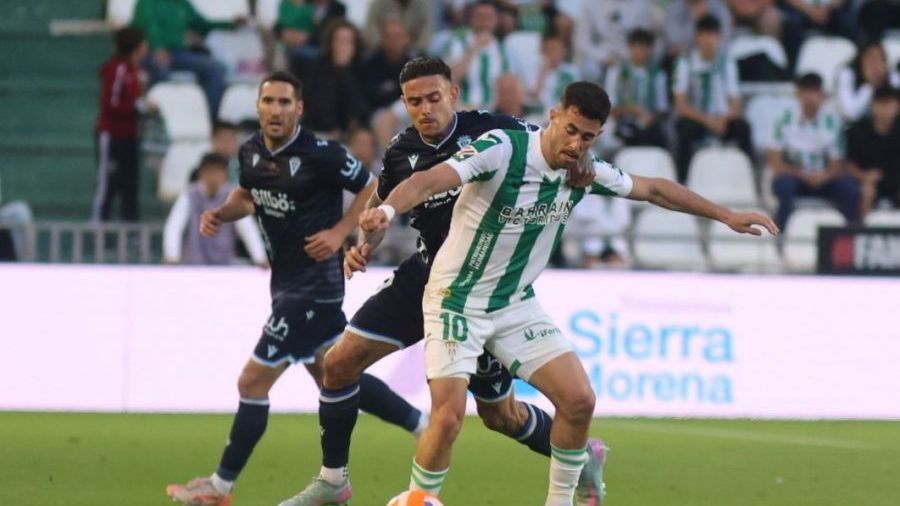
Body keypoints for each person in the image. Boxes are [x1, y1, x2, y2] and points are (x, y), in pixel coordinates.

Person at [357, 81, 777, 505]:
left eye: (588, 137)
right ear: (554, 115)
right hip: (455, 300)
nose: (576, 144)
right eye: (571, 130)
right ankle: (419, 498)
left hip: (513, 304)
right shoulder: (503, 148)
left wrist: (727, 215)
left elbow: (653, 189)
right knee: (448, 418)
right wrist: (388, 209)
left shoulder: (583, 172)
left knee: (579, 400)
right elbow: (430, 180)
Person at [278, 57, 607, 506]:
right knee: (337, 365)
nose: (425, 109)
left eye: (433, 98)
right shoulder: (401, 150)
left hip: (481, 291)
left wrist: (582, 159)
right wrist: (364, 242)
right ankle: (333, 480)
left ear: (453, 94)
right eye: (414, 101)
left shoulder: (496, 129)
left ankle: (581, 456)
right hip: (424, 277)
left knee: (501, 416)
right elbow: (381, 202)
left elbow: (558, 143)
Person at [165, 71, 427, 505]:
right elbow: (246, 197)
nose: (276, 109)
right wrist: (221, 214)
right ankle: (421, 424)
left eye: (285, 102)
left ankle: (219, 487)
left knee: (252, 382)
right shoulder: (251, 152)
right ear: (258, 107)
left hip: (315, 288)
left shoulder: (321, 154)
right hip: (285, 285)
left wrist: (340, 233)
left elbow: (370, 187)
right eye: (269, 101)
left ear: (299, 109)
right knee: (336, 373)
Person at [769, 73, 859, 229]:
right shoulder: (784, 119)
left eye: (815, 92)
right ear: (798, 94)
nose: (811, 97)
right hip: (794, 176)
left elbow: (837, 164)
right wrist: (799, 173)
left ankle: (848, 233)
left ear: (822, 95)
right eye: (807, 91)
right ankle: (780, 233)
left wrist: (823, 176)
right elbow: (775, 162)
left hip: (823, 178)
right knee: (784, 187)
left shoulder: (833, 122)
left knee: (850, 189)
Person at [673, 14, 754, 182]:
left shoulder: (727, 62)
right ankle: (682, 180)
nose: (708, 41)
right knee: (684, 129)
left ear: (720, 37)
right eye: (704, 35)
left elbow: (735, 103)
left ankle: (749, 177)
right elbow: (680, 105)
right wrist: (707, 120)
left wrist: (723, 119)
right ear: (697, 37)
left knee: (743, 128)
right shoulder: (685, 62)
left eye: (712, 35)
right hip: (698, 118)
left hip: (722, 119)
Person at [132, 0, 236, 118]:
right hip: (149, 53)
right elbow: (149, 25)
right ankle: (160, 118)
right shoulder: (146, 2)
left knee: (216, 68)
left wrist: (231, 24)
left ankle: (208, 120)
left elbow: (202, 24)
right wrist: (157, 47)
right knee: (160, 71)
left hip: (178, 53)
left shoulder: (182, 3)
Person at [163, 153, 267, 266]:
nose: (213, 177)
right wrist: (172, 255)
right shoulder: (189, 194)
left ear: (225, 174)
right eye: (209, 172)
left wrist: (260, 258)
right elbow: (175, 225)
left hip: (225, 267)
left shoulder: (232, 196)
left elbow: (247, 229)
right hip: (194, 266)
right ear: (201, 173)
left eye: (218, 172)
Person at [93, 27, 151, 223]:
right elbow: (112, 103)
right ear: (137, 46)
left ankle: (131, 228)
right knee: (107, 182)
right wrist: (139, 106)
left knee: (130, 183)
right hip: (111, 134)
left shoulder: (136, 71)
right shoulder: (117, 69)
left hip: (130, 134)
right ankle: (99, 225)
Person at [296, 19, 370, 139]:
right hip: (319, 130)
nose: (343, 46)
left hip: (351, 134)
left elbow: (361, 109)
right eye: (339, 41)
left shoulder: (362, 70)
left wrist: (345, 73)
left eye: (348, 42)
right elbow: (316, 105)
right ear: (330, 43)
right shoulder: (317, 68)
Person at [605, 29, 669, 148]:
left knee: (654, 135)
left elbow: (662, 109)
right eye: (636, 47)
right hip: (623, 122)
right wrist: (634, 110)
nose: (640, 52)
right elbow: (610, 109)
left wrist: (651, 117)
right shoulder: (616, 71)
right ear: (629, 48)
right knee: (626, 135)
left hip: (649, 123)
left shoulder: (658, 74)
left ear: (650, 50)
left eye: (644, 48)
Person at [442, 1, 509, 109]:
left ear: (496, 20)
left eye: (488, 17)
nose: (484, 21)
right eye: (480, 16)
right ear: (472, 19)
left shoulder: (500, 46)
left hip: (493, 110)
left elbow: (505, 83)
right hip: (463, 107)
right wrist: (474, 48)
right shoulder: (459, 41)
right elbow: (449, 77)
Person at [572, 0, 658, 82]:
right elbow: (581, 41)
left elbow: (645, 40)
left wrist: (627, 55)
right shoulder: (589, 3)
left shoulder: (643, 4)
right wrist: (603, 56)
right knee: (590, 70)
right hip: (600, 51)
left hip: (630, 52)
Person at [847, 86, 900, 219]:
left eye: (890, 105)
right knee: (866, 191)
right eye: (882, 104)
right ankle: (861, 228)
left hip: (896, 181)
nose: (886, 110)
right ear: (873, 106)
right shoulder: (858, 131)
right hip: (867, 181)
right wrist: (863, 176)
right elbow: (848, 164)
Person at [836, 42, 900, 123]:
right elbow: (850, 114)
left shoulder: (892, 76)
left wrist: (881, 81)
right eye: (871, 59)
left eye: (880, 58)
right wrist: (869, 85)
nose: (875, 63)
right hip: (854, 127)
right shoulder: (848, 74)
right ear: (860, 60)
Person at [531, 33, 580, 115]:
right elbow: (534, 97)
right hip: (540, 112)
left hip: (563, 113)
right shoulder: (536, 70)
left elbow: (576, 97)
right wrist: (542, 74)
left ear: (563, 51)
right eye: (550, 49)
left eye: (557, 49)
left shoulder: (571, 71)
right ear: (544, 52)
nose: (554, 53)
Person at [364, 0, 433, 53]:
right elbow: (372, 35)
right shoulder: (378, 4)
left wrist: (408, 49)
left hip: (412, 53)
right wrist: (388, 46)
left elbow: (425, 36)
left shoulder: (422, 5)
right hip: (382, 53)